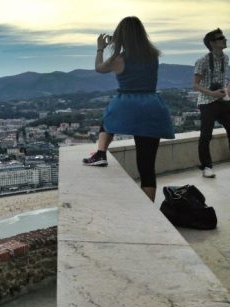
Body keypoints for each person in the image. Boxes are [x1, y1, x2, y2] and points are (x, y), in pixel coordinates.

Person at [92, 16, 175, 201]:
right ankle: (150, 210)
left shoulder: (119, 59)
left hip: (127, 104)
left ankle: (100, 153)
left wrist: (100, 48)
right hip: (152, 107)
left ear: (121, 36)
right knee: (146, 165)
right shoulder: (153, 57)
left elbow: (99, 68)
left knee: (107, 120)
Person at [193, 28, 230, 178]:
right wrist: (212, 93)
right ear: (212, 43)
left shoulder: (225, 58)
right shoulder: (202, 61)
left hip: (223, 100)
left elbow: (226, 78)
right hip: (207, 102)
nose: (224, 39)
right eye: (220, 38)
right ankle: (206, 167)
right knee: (206, 135)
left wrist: (227, 90)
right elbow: (195, 85)